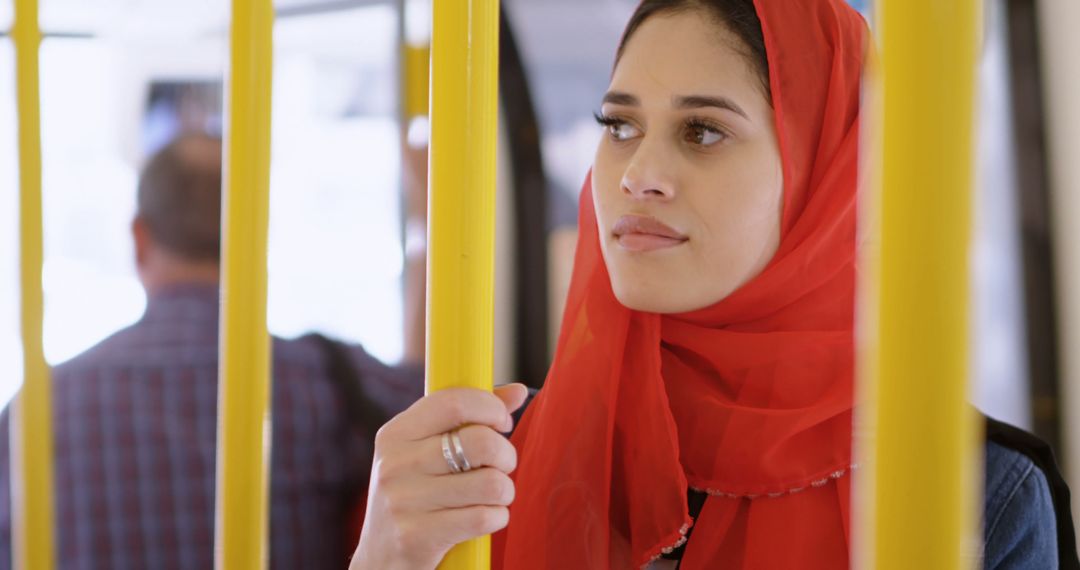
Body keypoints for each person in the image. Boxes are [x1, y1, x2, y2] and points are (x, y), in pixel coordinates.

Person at [350, 1, 1076, 569]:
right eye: (620, 125)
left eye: (701, 131)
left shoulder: (970, 497)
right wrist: (382, 560)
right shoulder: (490, 462)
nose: (636, 175)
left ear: (828, 178)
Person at [0, 133, 424, 569]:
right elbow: (439, 407)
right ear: (256, 233)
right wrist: (427, 220)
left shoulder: (37, 410)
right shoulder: (328, 381)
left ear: (139, 236)